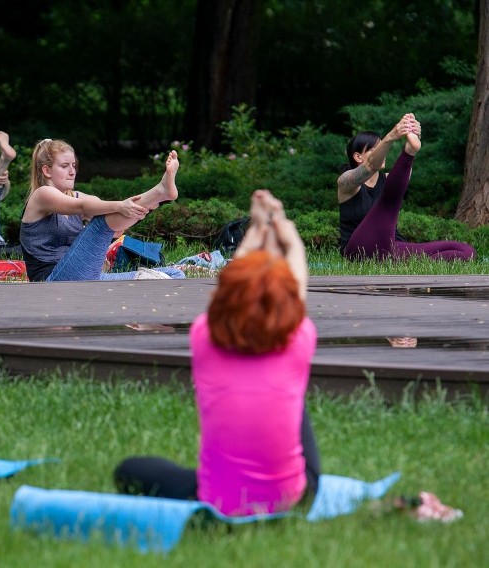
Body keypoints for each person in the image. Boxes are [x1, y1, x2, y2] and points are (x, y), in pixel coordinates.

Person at [114, 190, 321, 516]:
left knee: (129, 470)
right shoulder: (296, 340)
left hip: (220, 499)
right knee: (292, 390)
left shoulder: (204, 337)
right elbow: (295, 285)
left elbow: (231, 288)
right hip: (294, 498)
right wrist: (281, 225)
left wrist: (254, 229)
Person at [20, 139, 184, 281]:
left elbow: (114, 228)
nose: (72, 172)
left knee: (173, 274)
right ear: (46, 170)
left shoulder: (76, 195)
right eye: (64, 166)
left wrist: (142, 208)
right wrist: (120, 206)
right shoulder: (41, 195)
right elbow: (84, 207)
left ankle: (159, 194)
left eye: (74, 165)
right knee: (101, 221)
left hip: (86, 277)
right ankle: (159, 191)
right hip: (53, 280)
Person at [338, 114, 474, 261]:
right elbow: (371, 165)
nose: (383, 153)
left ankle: (409, 263)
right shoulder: (346, 183)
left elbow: (401, 172)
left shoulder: (391, 180)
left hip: (391, 248)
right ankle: (409, 153)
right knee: (387, 204)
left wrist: (411, 144)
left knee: (466, 251)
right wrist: (390, 137)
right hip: (358, 251)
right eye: (375, 149)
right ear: (358, 157)